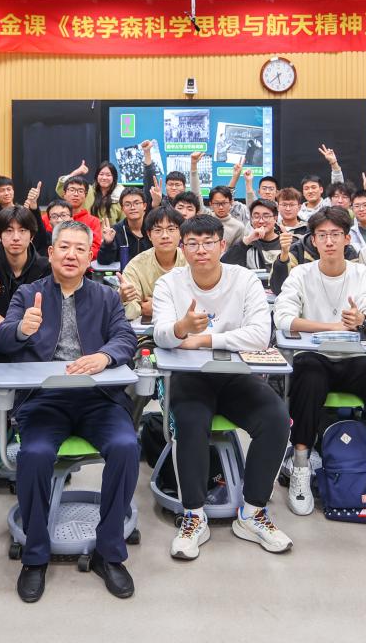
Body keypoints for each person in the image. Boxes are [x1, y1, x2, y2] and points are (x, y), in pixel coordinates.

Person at [0, 221, 139, 602]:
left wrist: (104, 356)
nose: (71, 255)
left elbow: (126, 337)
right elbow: (2, 339)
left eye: (79, 248)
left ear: (90, 256)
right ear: (51, 252)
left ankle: (110, 552)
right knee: (35, 454)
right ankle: (35, 556)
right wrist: (22, 330)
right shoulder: (29, 293)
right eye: (64, 247)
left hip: (97, 398)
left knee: (126, 446)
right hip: (45, 399)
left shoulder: (105, 296)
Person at [152, 215, 293, 560]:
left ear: (222, 245)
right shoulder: (169, 283)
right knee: (191, 422)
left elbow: (260, 335)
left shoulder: (243, 279)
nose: (201, 250)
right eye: (193, 243)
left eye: (208, 242)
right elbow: (161, 335)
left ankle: (252, 513)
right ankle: (194, 516)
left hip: (236, 374)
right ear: (183, 248)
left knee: (275, 417)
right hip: (189, 376)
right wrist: (180, 327)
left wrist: (200, 338)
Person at [276, 207, 366, 516]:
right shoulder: (301, 274)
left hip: (354, 357)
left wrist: (362, 320)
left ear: (347, 239)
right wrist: (331, 327)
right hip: (315, 356)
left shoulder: (363, 274)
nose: (329, 241)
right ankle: (301, 464)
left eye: (335, 234)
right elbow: (283, 318)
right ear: (313, 240)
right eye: (322, 235)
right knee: (307, 376)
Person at [0, 206, 52, 333]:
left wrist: (10, 325)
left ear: (32, 236)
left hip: (36, 342)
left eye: (22, 230)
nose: (16, 237)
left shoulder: (46, 271)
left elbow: (55, 317)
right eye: (9, 230)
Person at [117, 207, 185, 321]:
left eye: (171, 229)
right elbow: (131, 312)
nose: (165, 235)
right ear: (149, 235)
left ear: (181, 233)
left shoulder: (192, 260)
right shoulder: (136, 266)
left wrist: (159, 307)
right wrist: (122, 299)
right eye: (158, 230)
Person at [222, 199, 283, 271]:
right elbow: (225, 264)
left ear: (275, 218)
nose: (261, 221)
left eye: (266, 216)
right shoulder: (246, 244)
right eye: (256, 217)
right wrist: (248, 240)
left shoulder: (286, 242)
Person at [97, 187, 151, 269]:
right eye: (127, 204)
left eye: (136, 203)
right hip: (124, 275)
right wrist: (108, 243)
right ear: (122, 208)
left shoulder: (153, 229)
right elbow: (104, 261)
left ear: (144, 206)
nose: (132, 207)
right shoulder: (115, 231)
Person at [59, 175, 102, 259]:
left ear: (85, 196)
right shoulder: (51, 218)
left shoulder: (94, 221)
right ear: (64, 194)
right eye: (72, 190)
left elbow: (95, 248)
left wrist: (75, 256)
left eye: (80, 191)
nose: (76, 194)